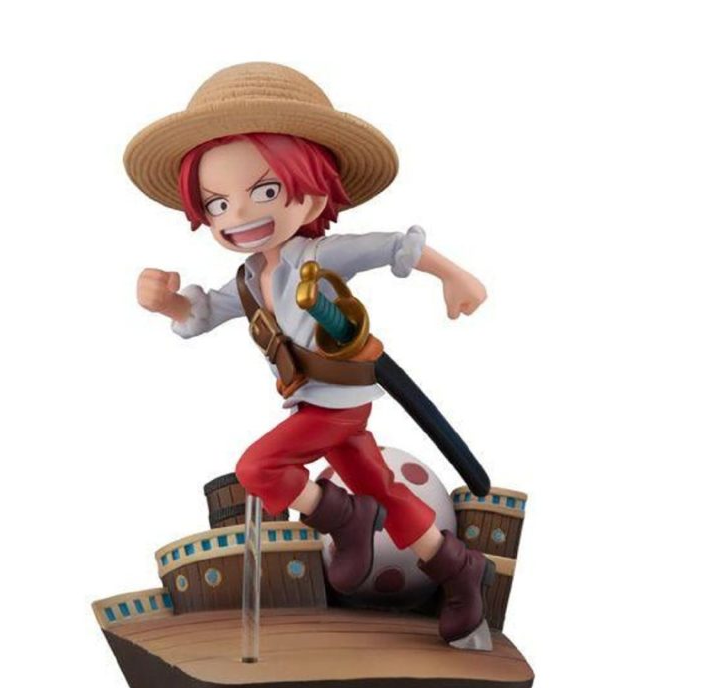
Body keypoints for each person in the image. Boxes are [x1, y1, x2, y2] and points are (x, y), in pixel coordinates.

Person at [126, 62, 493, 650]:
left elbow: (391, 247)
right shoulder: (248, 279)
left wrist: (454, 276)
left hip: (340, 401)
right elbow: (203, 312)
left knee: (258, 469)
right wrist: (168, 302)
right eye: (217, 204)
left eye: (265, 191)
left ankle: (345, 518)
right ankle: (459, 569)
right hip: (310, 404)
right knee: (388, 495)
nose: (238, 215)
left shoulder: (321, 257)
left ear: (315, 190)